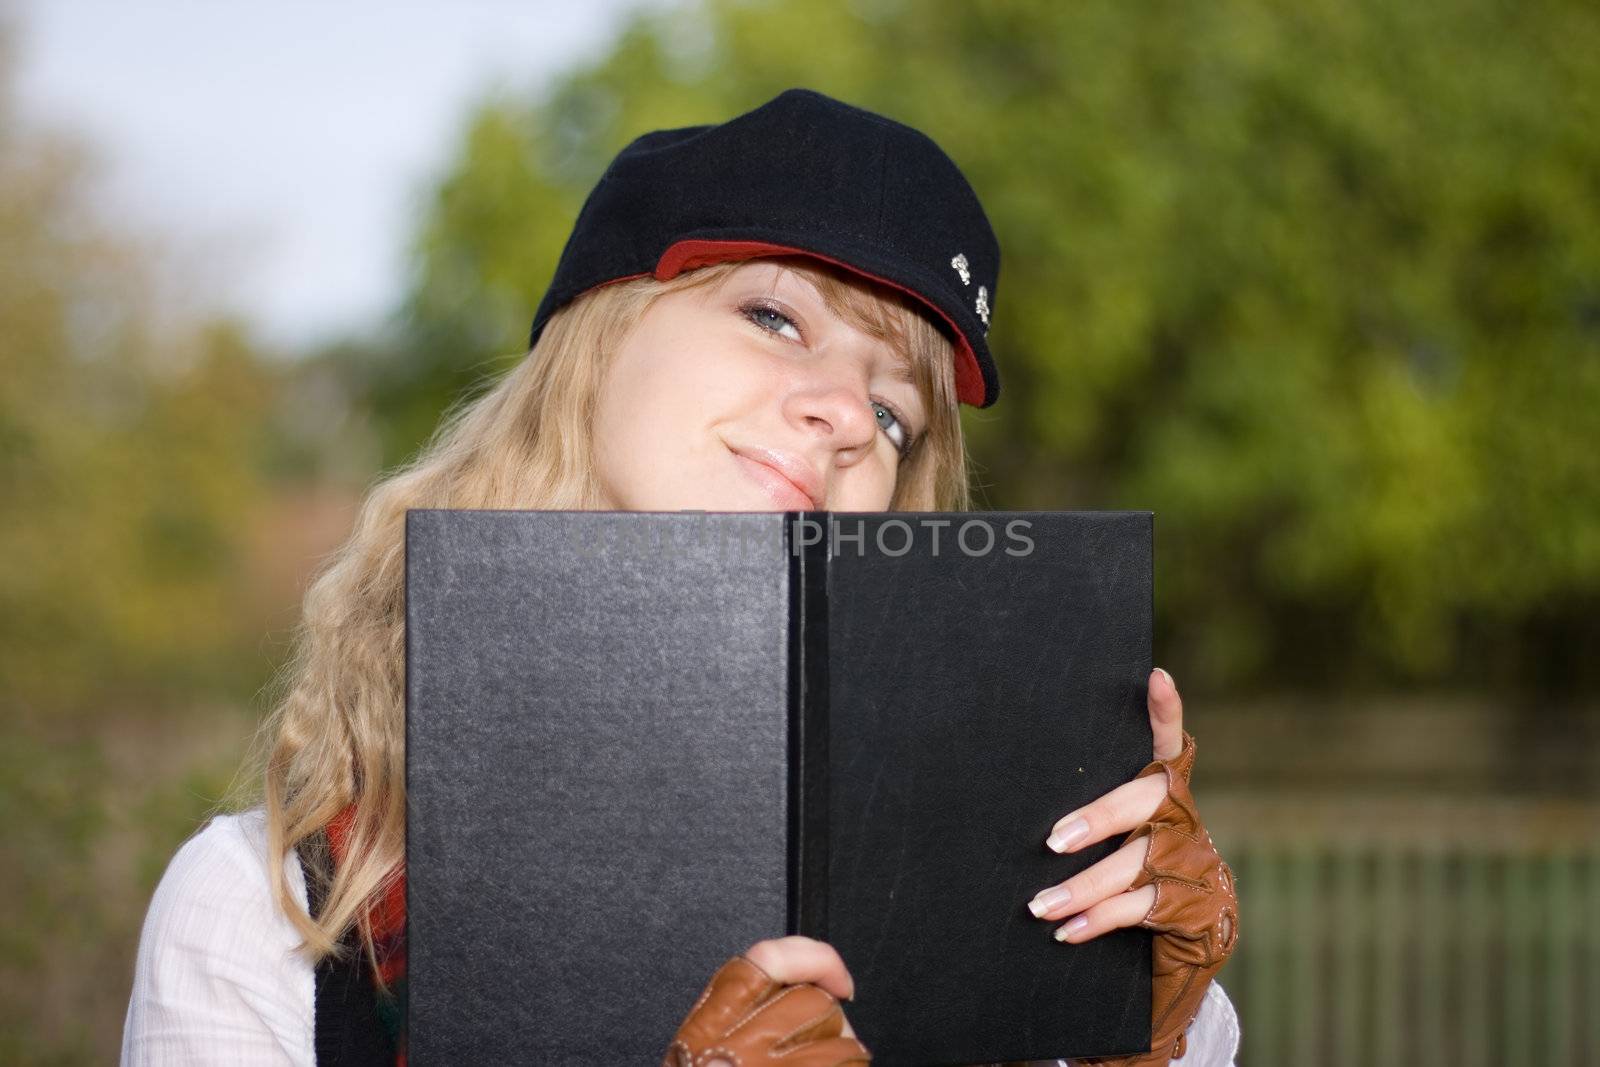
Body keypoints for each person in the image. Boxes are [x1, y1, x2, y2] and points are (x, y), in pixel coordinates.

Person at [121, 88, 1240, 1067]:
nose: (849, 415)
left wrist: (1140, 1019)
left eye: (895, 411)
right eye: (773, 315)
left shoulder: (1010, 892)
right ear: (597, 338)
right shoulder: (268, 919)